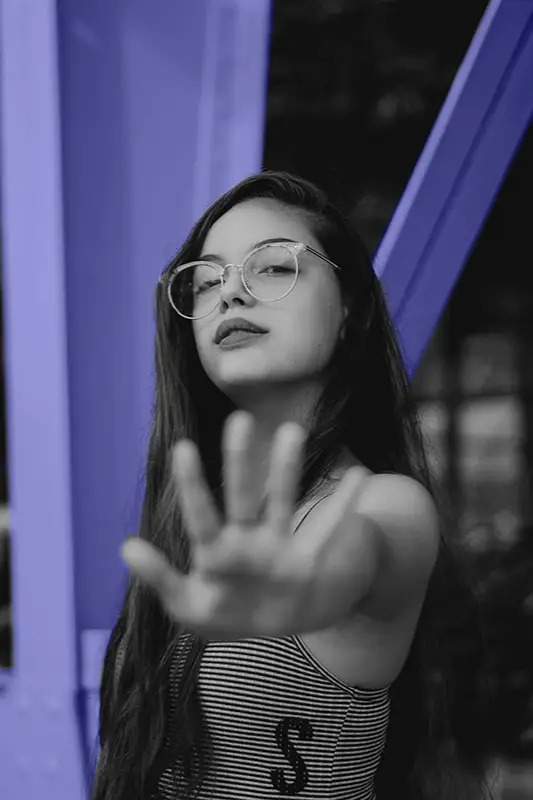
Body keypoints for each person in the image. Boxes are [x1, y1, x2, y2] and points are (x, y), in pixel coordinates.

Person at [91, 172, 494, 800]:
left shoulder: (384, 504)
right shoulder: (199, 521)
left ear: (350, 310)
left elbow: (353, 555)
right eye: (206, 280)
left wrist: (302, 593)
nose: (231, 295)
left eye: (273, 268)